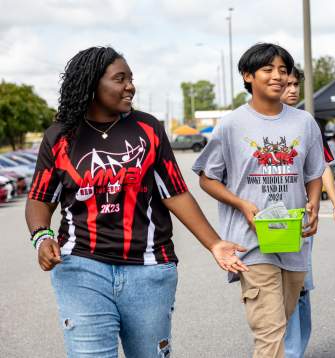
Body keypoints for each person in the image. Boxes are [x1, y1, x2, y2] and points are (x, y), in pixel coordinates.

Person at [26, 46, 247, 358]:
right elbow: (39, 198)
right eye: (120, 79)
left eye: (130, 78)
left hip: (149, 269)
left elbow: (175, 192)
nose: (130, 86)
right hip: (80, 266)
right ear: (92, 83)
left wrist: (214, 244)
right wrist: (41, 236)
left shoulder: (147, 128)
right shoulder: (60, 137)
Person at [192, 43, 326, 358]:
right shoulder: (231, 124)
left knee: (282, 318)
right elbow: (207, 177)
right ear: (248, 75)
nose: (278, 76)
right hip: (250, 242)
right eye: (268, 69)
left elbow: (314, 173)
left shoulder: (304, 123)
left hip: (292, 239)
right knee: (270, 330)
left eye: (283, 70)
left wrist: (315, 203)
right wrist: (240, 204)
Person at [280, 66, 335, 358]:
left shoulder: (306, 123)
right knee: (278, 286)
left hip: (303, 217)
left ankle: (296, 348)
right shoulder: (254, 123)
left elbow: (322, 167)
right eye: (287, 84)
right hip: (269, 219)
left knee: (301, 288)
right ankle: (287, 350)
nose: (293, 89)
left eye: (296, 84)